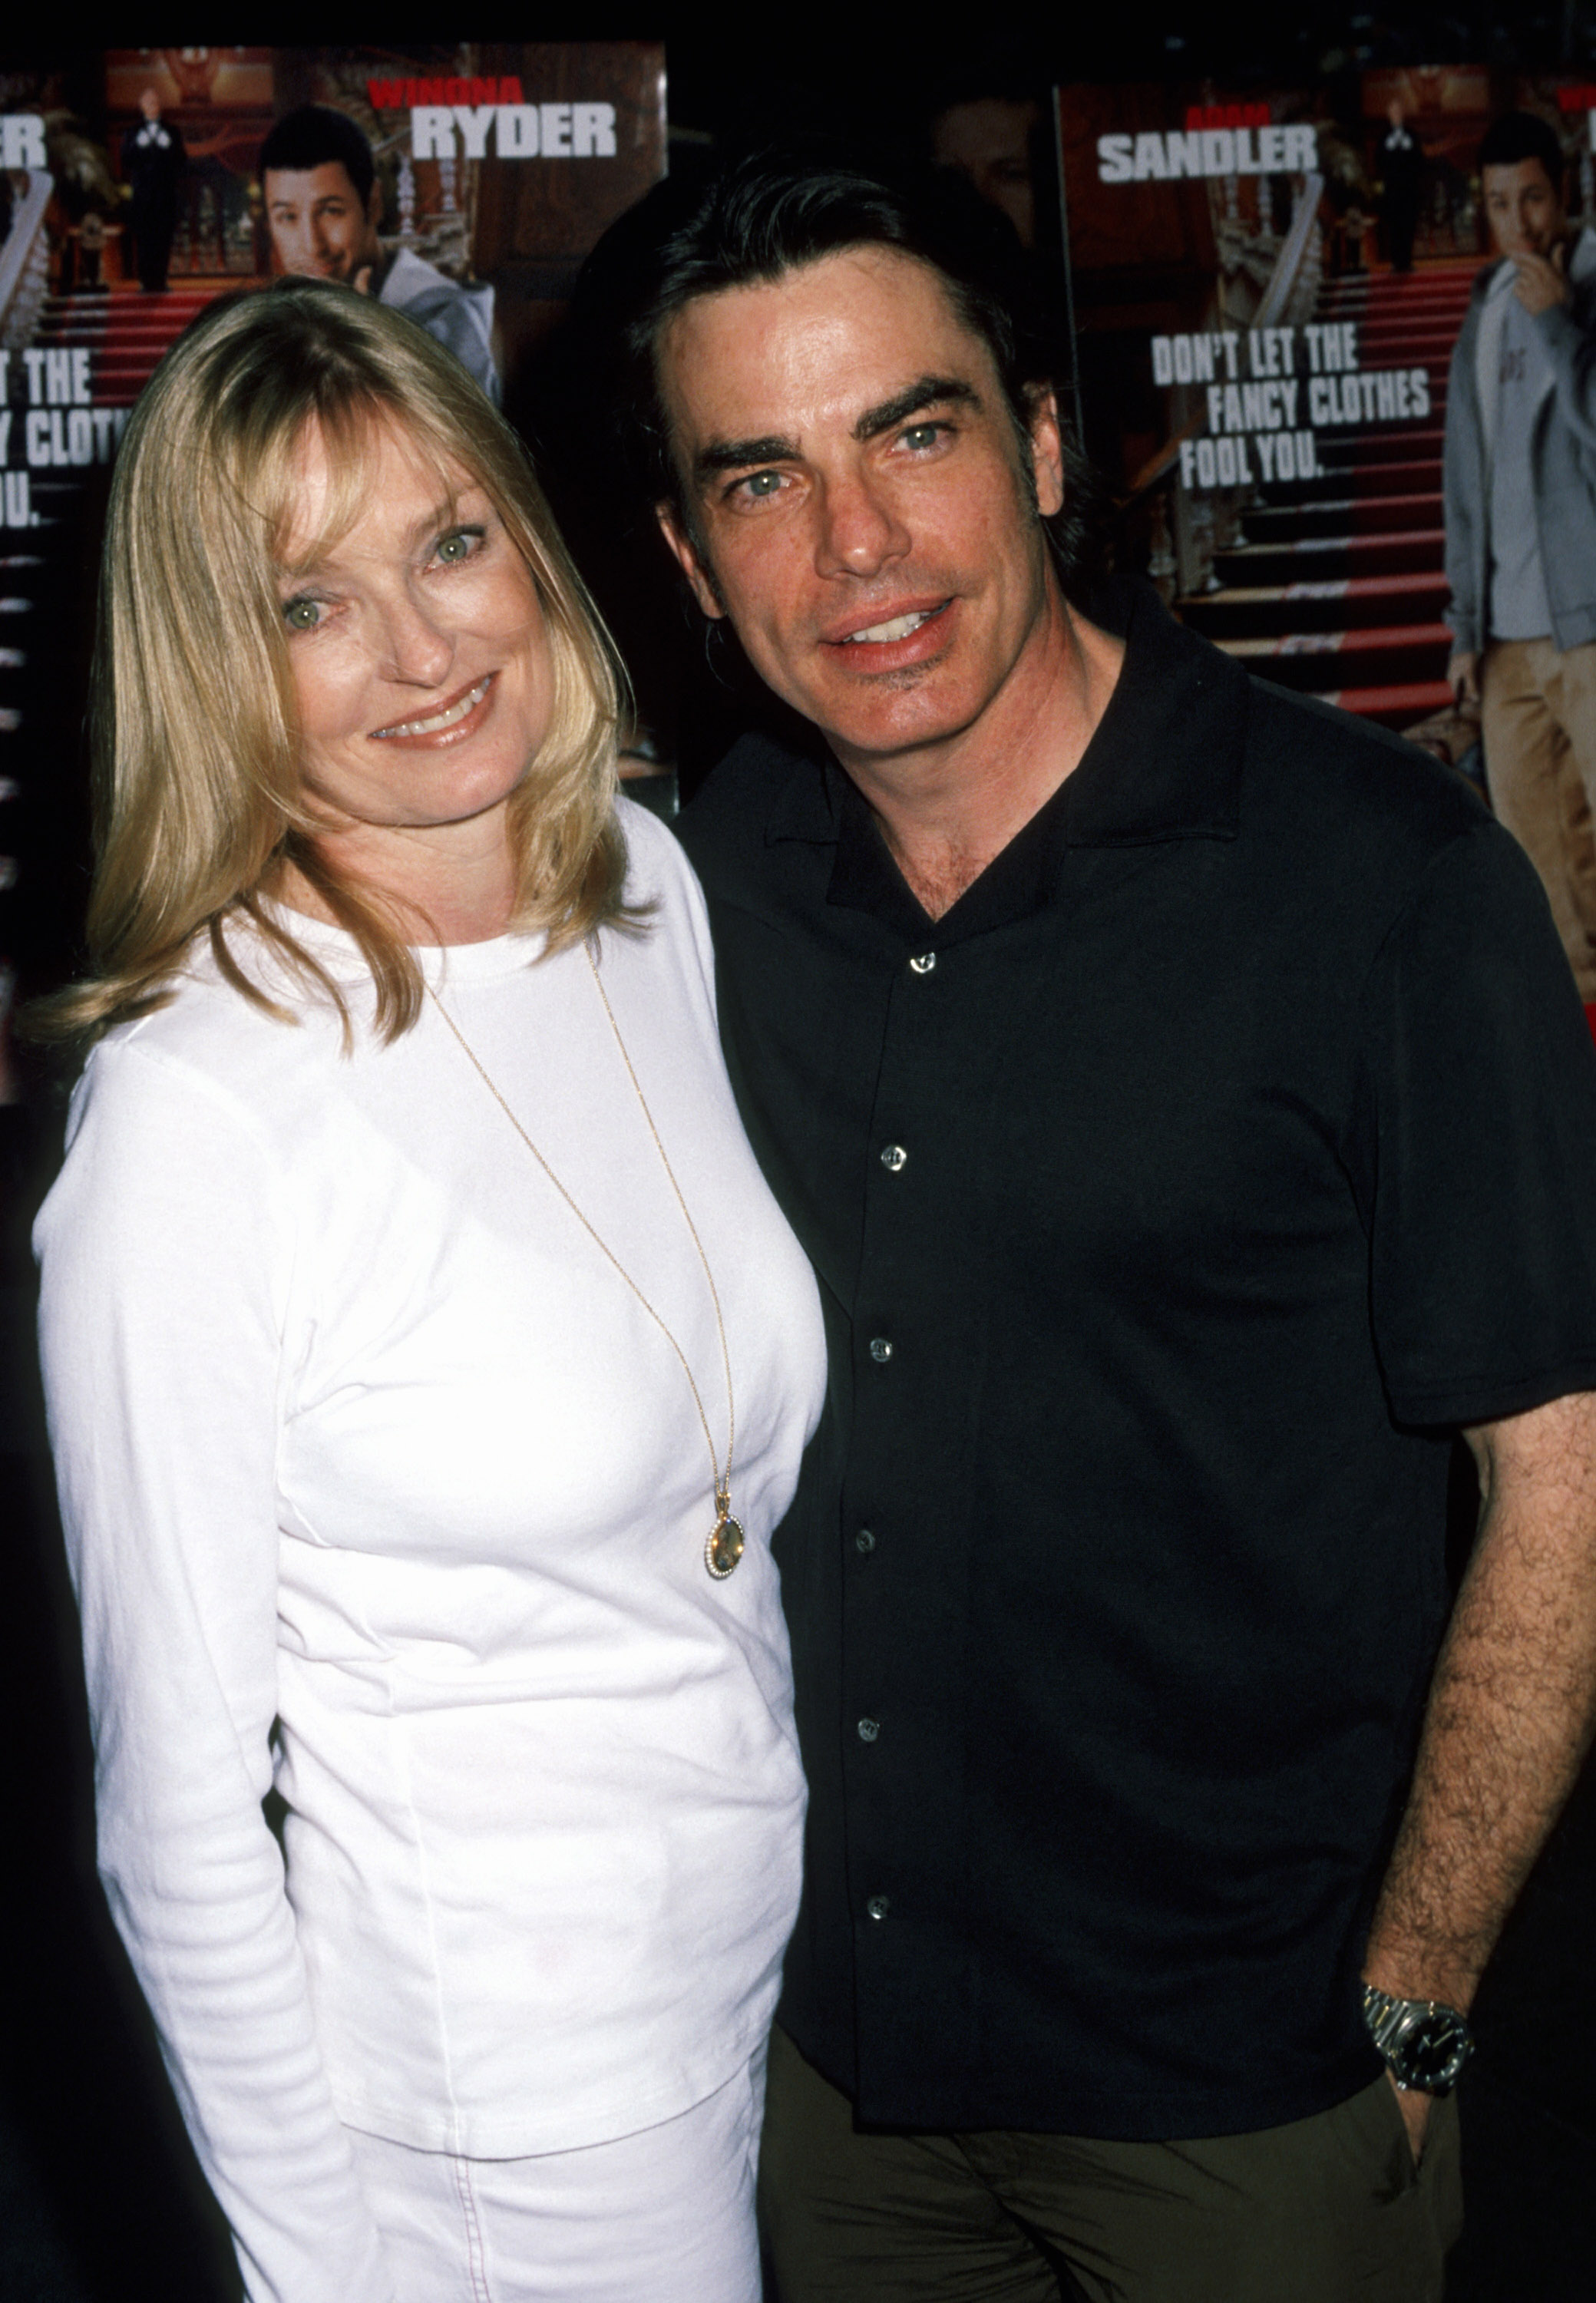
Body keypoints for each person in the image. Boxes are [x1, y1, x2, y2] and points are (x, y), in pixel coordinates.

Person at [598, 150, 1596, 2301]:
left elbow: (1565, 1499)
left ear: (1042, 447)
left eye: (913, 434)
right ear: (685, 554)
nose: (854, 545)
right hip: (821, 2091)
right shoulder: (694, 894)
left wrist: (1409, 2011)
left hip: (1242, 2106)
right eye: (759, 481)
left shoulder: (1375, 890)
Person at [32, 277, 824, 2303]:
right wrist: (317, 2265)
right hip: (497, 2109)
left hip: (727, 1986)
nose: (420, 646)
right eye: (307, 602)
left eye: (448, 541)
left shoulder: (645, 893)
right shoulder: (195, 1115)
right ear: (217, 665)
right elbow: (179, 1824)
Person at [1443, 109, 1596, 1003]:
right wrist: (1466, 627)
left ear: (1563, 193)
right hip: (1504, 641)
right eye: (1501, 202)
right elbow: (1467, 481)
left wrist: (1559, 327)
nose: (1520, 222)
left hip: (1587, 622)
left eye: (1533, 197)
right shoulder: (1484, 307)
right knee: (1540, 864)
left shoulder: (1581, 286)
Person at [259, 104, 501, 403]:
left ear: (372, 204)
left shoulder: (447, 318)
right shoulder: (278, 320)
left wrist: (364, 342)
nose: (312, 245)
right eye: (288, 218)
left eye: (331, 212)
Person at [121, 84, 186, 293]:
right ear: (141, 106)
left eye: (155, 102)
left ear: (160, 106)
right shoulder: (132, 132)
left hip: (165, 197)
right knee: (144, 242)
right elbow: (126, 160)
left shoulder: (172, 132)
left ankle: (161, 281)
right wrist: (136, 146)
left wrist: (169, 147)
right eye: (148, 102)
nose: (152, 106)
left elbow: (182, 161)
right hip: (142, 199)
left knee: (163, 241)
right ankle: (146, 282)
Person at [1377, 96, 1423, 273]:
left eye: (1399, 111)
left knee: (1408, 227)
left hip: (1410, 191)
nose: (1396, 114)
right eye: (1393, 111)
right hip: (1392, 192)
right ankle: (1396, 263)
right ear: (1389, 114)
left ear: (1402, 114)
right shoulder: (1383, 137)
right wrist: (1389, 149)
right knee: (1395, 228)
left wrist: (1408, 148)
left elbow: (1420, 161)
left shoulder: (1412, 135)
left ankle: (1407, 262)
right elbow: (1379, 162)